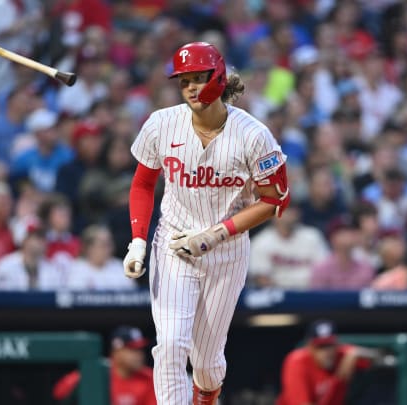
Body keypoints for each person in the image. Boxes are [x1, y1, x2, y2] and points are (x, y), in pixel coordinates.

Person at [122, 42, 290, 404]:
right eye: (185, 82)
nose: (192, 89)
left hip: (226, 252)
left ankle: (207, 396)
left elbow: (276, 200)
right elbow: (142, 183)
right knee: (169, 344)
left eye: (199, 79)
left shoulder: (253, 135)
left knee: (208, 363)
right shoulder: (161, 124)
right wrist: (138, 241)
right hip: (174, 245)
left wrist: (215, 235)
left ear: (220, 78)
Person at [276, 319, 388, 405]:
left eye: (330, 346)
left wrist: (355, 355)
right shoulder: (297, 361)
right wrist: (340, 377)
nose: (326, 352)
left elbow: (382, 357)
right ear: (310, 347)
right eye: (321, 347)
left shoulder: (343, 355)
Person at [52, 325, 156, 405]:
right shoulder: (99, 372)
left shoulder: (149, 377)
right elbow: (59, 393)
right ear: (116, 351)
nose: (139, 355)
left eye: (140, 350)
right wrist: (86, 377)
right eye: (132, 349)